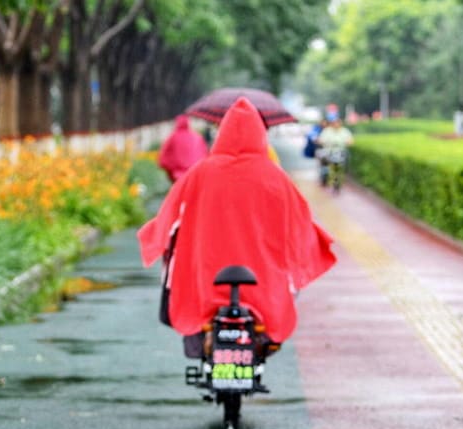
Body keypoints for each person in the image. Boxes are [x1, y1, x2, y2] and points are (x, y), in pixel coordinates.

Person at [138, 97, 336, 352]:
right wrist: (320, 243)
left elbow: (171, 215)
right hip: (262, 275)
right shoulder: (274, 175)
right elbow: (298, 220)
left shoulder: (200, 172)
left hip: (206, 272)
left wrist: (154, 238)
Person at [157, 115, 208, 183]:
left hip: (179, 176)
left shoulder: (173, 137)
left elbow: (164, 158)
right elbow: (205, 155)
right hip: (196, 175)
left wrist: (171, 171)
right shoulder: (197, 137)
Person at [316, 119, 354, 185]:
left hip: (339, 151)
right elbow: (320, 140)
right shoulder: (327, 131)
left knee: (342, 162)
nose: (336, 125)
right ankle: (324, 175)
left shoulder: (345, 131)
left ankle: (342, 174)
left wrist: (347, 142)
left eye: (338, 123)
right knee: (323, 161)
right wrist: (323, 142)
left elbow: (350, 141)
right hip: (327, 150)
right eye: (335, 123)